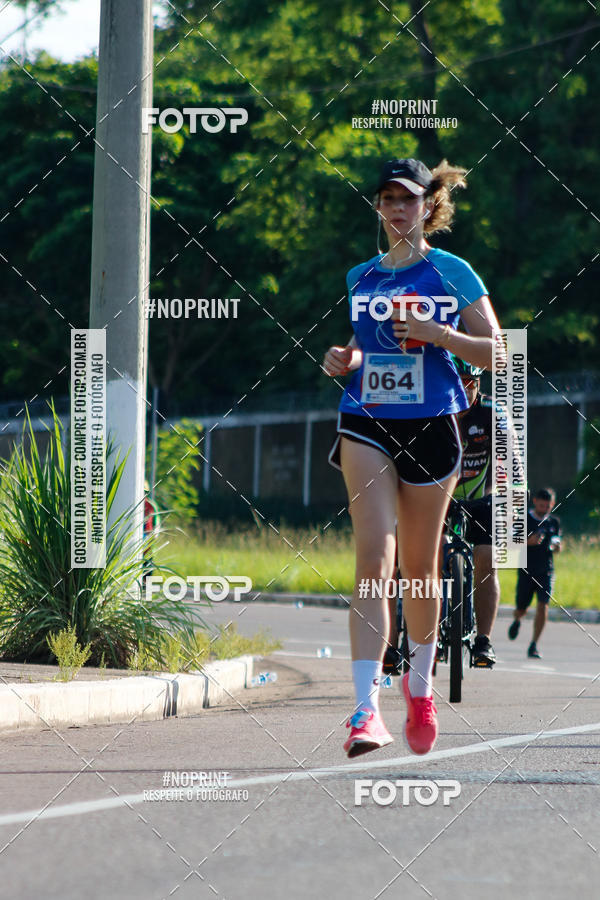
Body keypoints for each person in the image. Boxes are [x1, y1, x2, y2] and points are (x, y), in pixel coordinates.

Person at [323, 157, 501, 758]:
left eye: (409, 198)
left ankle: (419, 687)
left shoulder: (451, 272)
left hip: (431, 423)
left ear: (430, 205)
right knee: (374, 556)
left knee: (420, 570)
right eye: (388, 198)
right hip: (365, 420)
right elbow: (361, 349)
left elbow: (497, 353)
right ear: (378, 206)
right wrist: (344, 360)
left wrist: (440, 336)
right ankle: (363, 710)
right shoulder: (361, 277)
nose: (398, 207)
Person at [508, 487, 561, 658]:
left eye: (548, 506)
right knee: (521, 607)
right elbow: (510, 542)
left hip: (546, 571)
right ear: (535, 502)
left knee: (543, 605)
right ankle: (517, 620)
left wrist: (557, 547)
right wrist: (528, 542)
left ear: (552, 505)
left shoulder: (553, 523)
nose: (544, 508)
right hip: (526, 570)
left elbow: (557, 543)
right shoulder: (523, 519)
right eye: (542, 505)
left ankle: (534, 644)